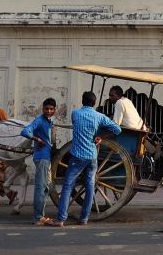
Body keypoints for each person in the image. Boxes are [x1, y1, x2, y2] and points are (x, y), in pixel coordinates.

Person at [51, 91, 121, 227]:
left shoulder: (75, 113)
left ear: (82, 101)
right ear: (94, 103)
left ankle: (60, 219)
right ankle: (84, 219)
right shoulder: (99, 116)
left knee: (67, 186)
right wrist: (101, 136)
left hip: (78, 155)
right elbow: (117, 129)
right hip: (92, 156)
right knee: (90, 186)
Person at [20, 97, 57, 226]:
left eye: (51, 109)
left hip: (47, 157)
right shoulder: (40, 120)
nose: (48, 111)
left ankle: (40, 214)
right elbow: (25, 131)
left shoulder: (51, 121)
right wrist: (37, 139)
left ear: (55, 110)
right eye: (46, 109)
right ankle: (38, 217)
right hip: (41, 157)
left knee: (48, 186)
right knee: (41, 187)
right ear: (42, 109)